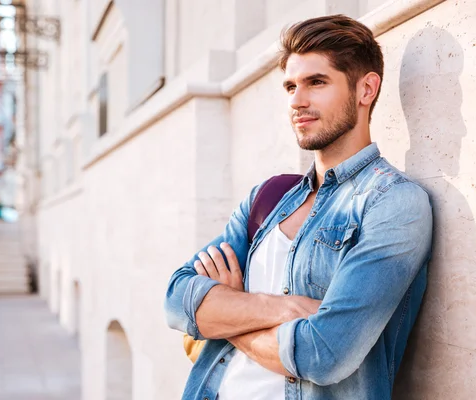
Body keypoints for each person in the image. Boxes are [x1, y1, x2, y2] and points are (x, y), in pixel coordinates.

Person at [164, 14, 434, 400]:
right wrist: (284, 307)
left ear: (366, 89)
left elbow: (323, 354)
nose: (297, 101)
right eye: (290, 86)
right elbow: (177, 299)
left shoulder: (394, 203)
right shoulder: (269, 197)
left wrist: (228, 314)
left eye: (316, 82)